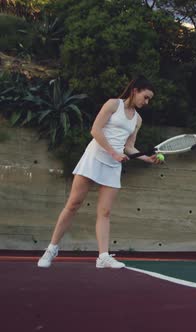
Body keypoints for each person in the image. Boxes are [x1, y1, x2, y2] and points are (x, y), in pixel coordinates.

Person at [37, 75, 161, 269]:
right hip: (94, 158)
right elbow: (95, 130)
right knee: (73, 204)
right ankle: (51, 249)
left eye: (149, 99)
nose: (147, 102)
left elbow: (129, 146)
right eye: (145, 97)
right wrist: (113, 152)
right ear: (135, 90)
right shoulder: (113, 104)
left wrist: (146, 158)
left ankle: (102, 256)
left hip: (112, 166)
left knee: (105, 212)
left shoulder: (137, 119)